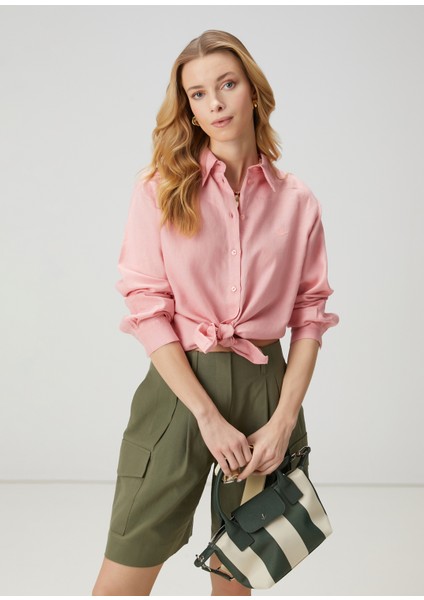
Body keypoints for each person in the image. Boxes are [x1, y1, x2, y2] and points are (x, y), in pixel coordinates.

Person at [92, 29, 339, 596]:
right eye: (198, 94)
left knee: (237, 578)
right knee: (126, 569)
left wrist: (282, 422)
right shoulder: (159, 189)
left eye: (227, 84)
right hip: (180, 391)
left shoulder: (296, 199)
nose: (215, 104)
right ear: (188, 108)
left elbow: (310, 314)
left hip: (266, 391)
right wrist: (205, 415)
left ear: (253, 90)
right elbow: (146, 306)